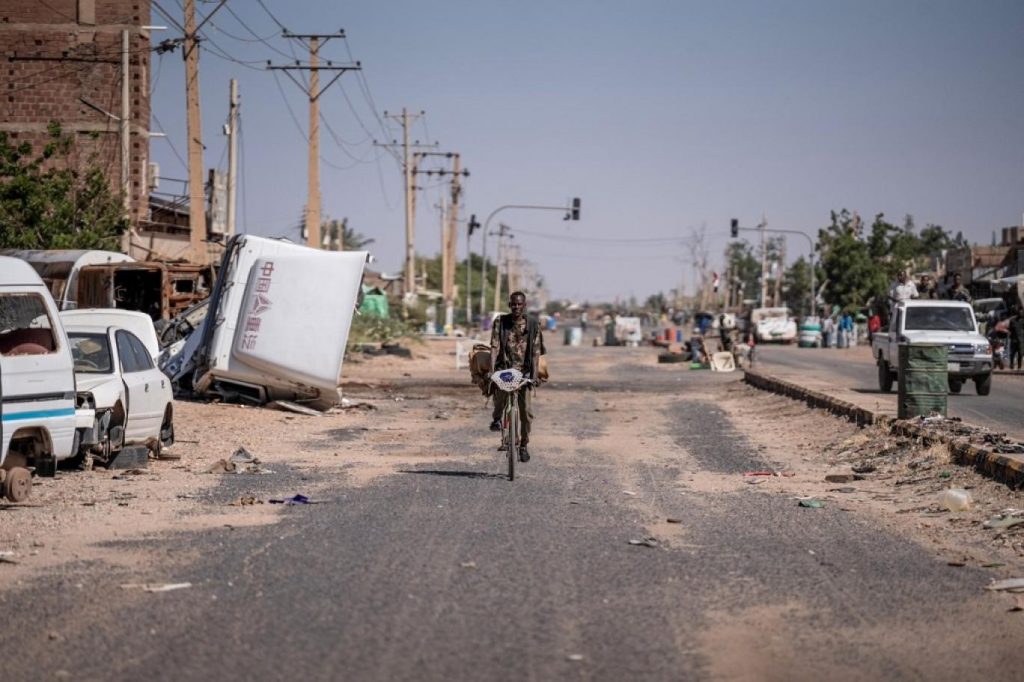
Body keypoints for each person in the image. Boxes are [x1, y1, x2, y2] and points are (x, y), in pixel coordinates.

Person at [489, 291, 543, 463]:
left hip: (524, 373)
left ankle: (524, 445)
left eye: (520, 304)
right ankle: (496, 419)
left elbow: (535, 353)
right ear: (509, 305)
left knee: (526, 413)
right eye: (513, 304)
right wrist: (492, 372)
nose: (516, 307)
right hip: (505, 370)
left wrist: (534, 376)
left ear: (524, 305)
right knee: (500, 398)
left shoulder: (533, 324)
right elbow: (494, 347)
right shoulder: (501, 322)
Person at [1010, 307, 1024, 371]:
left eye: (1022, 311)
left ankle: (1019, 367)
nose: (1020, 312)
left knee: (1020, 354)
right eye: (1019, 311)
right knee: (1012, 353)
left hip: (1021, 340)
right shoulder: (1013, 321)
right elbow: (1010, 329)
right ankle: (1012, 364)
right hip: (1014, 339)